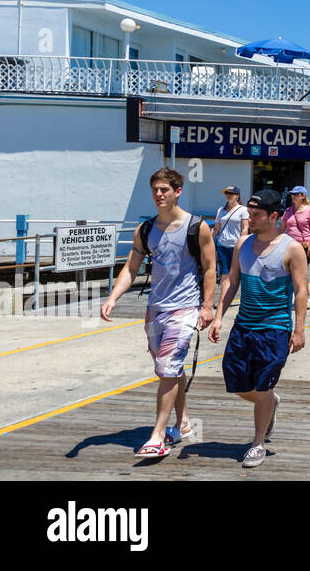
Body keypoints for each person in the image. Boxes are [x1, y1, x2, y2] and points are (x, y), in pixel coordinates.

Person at [100, 168, 216, 458]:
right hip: (155, 311)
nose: (159, 195)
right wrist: (113, 296)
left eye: (164, 189)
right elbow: (131, 268)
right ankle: (184, 423)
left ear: (178, 191)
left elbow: (212, 267)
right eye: (155, 190)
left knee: (167, 367)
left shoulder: (197, 226)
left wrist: (207, 306)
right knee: (170, 369)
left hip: (185, 308)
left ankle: (158, 436)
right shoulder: (146, 229)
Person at [209, 189, 307, 468]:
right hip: (244, 326)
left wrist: (298, 330)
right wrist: (218, 317)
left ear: (274, 216)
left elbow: (301, 291)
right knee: (238, 384)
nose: (250, 218)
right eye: (249, 213)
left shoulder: (291, 248)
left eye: (256, 214)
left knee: (262, 386)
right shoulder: (243, 244)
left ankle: (257, 443)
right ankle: (271, 402)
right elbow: (231, 281)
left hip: (275, 328)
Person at [280, 185, 310, 308]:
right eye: (292, 194)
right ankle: (299, 296)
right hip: (289, 246)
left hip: (304, 246)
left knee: (300, 273)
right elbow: (282, 228)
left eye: (296, 194)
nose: (293, 196)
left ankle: (304, 297)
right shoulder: (288, 211)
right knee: (291, 273)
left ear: (303, 196)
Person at [213, 185, 249, 288]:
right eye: (226, 193)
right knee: (225, 272)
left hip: (235, 246)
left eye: (231, 193)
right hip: (222, 245)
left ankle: (234, 295)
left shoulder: (243, 210)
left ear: (237, 195)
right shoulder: (221, 210)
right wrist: (209, 240)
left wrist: (241, 244)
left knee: (235, 272)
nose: (228, 195)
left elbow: (245, 228)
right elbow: (216, 228)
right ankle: (223, 300)